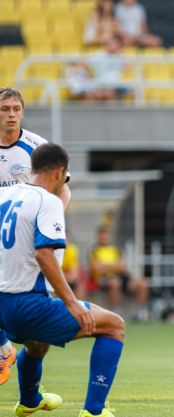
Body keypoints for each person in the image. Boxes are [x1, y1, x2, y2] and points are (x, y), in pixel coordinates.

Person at [0, 143, 124, 417]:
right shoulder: (48, 201)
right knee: (114, 326)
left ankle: (30, 401)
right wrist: (73, 303)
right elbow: (44, 254)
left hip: (2, 307)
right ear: (59, 173)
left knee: (36, 344)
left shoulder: (4, 194)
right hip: (27, 305)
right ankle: (94, 411)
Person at [0, 87, 71, 385]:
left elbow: (63, 190)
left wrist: (48, 221)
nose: (12, 114)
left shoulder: (36, 148)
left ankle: (30, 393)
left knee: (37, 340)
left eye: (16, 108)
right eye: (5, 109)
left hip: (27, 239)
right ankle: (5, 347)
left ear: (23, 112)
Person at [88, 225, 150, 322]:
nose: (103, 237)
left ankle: (142, 313)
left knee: (143, 283)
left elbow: (123, 266)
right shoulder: (94, 251)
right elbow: (97, 270)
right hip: (104, 280)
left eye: (105, 235)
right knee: (115, 282)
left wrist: (106, 266)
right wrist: (114, 266)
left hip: (123, 277)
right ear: (98, 236)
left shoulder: (115, 249)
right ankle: (116, 312)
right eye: (101, 235)